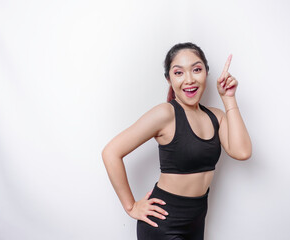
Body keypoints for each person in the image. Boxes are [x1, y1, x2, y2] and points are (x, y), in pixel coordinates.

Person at [102, 42, 252, 240]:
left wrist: (229, 98)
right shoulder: (166, 114)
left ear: (206, 73)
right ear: (169, 79)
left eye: (196, 70)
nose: (189, 79)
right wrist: (130, 206)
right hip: (162, 223)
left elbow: (242, 152)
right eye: (179, 73)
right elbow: (111, 152)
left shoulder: (217, 117)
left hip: (196, 221)